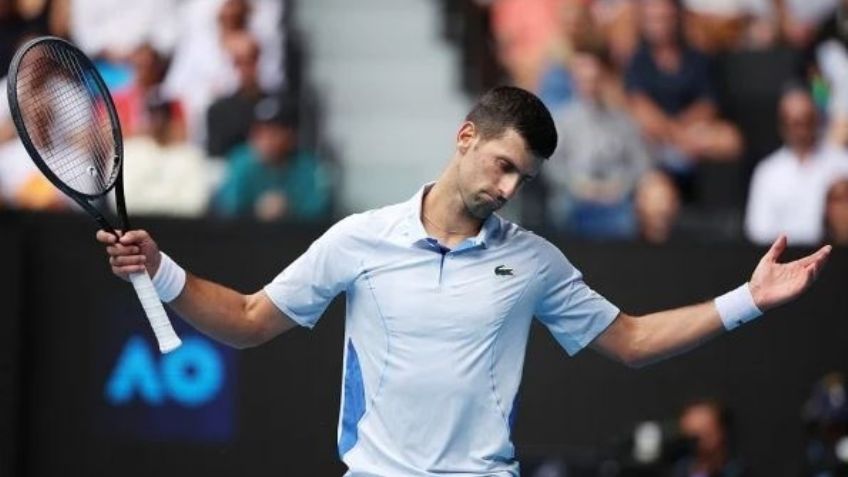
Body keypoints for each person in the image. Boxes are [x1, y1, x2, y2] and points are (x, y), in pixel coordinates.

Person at [98, 86, 831, 476]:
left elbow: (634, 340)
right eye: (503, 164)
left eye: (525, 176)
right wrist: (161, 269)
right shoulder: (361, 238)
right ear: (466, 139)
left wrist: (748, 299)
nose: (510, 187)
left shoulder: (536, 263)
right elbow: (251, 318)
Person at [546, 40, 652, 238]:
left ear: (603, 79)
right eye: (583, 80)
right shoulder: (560, 121)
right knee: (566, 213)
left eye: (594, 79)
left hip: (616, 198)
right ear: (573, 82)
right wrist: (579, 186)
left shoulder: (622, 120)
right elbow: (551, 165)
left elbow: (641, 162)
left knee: (628, 220)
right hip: (575, 197)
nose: (589, 86)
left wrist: (620, 186)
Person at [745, 87, 848, 245]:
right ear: (782, 125)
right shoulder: (767, 172)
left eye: (806, 121)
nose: (801, 131)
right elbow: (758, 232)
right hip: (785, 261)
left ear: (816, 119)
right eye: (794, 123)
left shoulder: (842, 163)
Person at [213, 96, 331, 221]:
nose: (265, 139)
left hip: (294, 237)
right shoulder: (241, 161)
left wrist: (289, 207)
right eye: (260, 131)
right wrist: (256, 209)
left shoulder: (306, 166)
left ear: (291, 136)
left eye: (274, 132)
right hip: (245, 236)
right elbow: (227, 208)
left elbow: (318, 211)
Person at [670, 399, 750, 477]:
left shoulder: (734, 472)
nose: (696, 442)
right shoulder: (679, 469)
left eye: (706, 433)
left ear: (721, 432)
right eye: (689, 434)